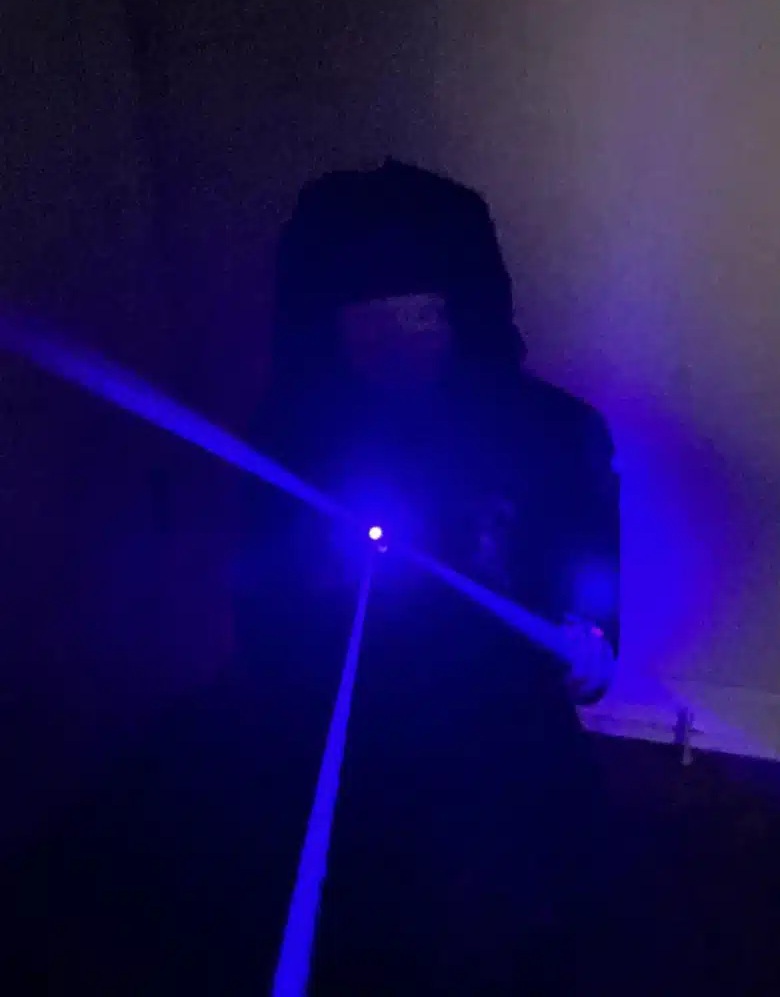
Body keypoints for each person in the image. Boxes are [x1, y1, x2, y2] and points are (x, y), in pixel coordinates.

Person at [235, 159, 619, 992]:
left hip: (502, 730)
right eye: (369, 331)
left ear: (465, 314)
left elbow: (592, 570)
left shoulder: (558, 434)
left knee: (509, 924)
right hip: (343, 734)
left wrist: (591, 638)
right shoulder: (287, 442)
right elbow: (258, 607)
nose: (399, 355)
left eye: (423, 322)